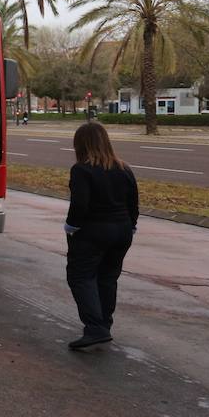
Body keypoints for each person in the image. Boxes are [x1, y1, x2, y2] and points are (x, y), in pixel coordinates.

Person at [63, 121, 138, 350]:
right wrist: (131, 225)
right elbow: (133, 203)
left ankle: (95, 328)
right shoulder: (124, 168)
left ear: (81, 145)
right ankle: (104, 324)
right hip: (122, 230)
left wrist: (71, 227)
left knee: (80, 276)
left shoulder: (82, 169)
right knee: (107, 278)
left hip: (93, 231)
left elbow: (80, 204)